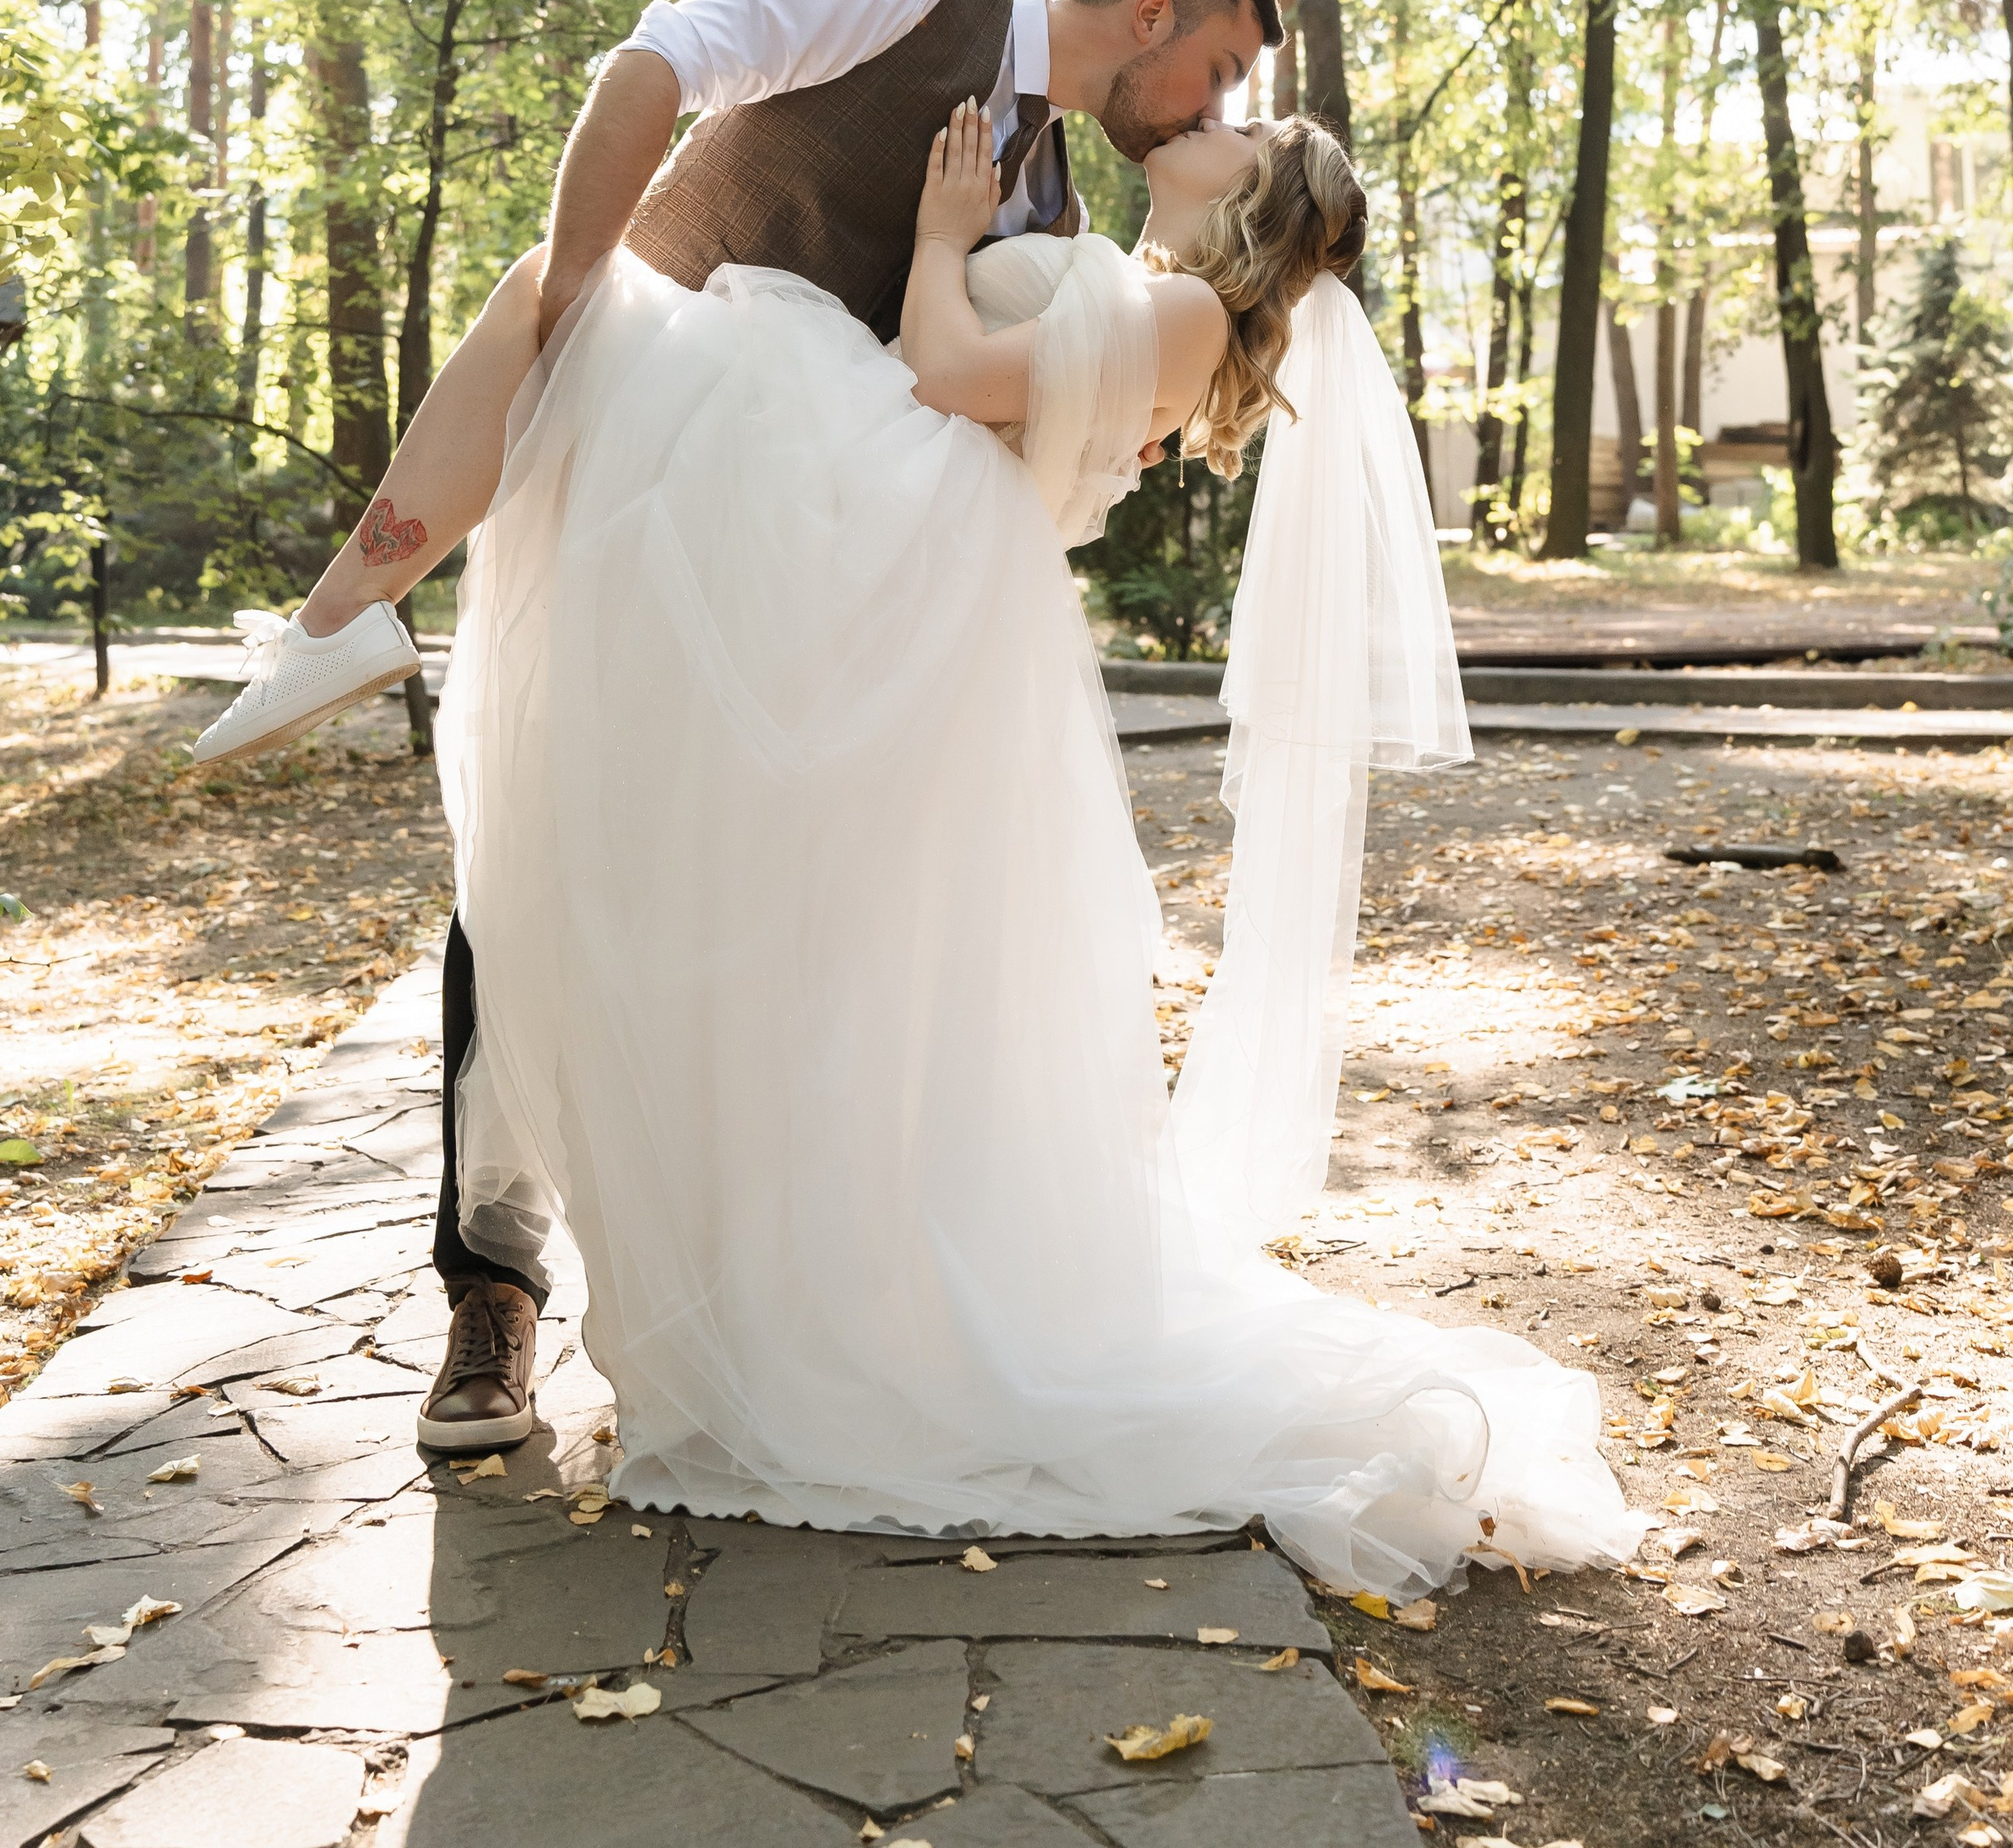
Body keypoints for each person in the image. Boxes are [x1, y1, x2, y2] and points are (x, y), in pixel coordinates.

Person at [430, 94, 1642, 1591]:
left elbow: (944, 375)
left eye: (1248, 125)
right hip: (909, 581)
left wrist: (942, 238)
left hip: (927, 571)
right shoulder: (1136, 273)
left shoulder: (1194, 311)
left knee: (890, 975)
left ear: (1256, 196)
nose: (1220, 115)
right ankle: (809, 1286)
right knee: (854, 972)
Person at [195, 0, 1279, 1450]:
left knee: (748, 923)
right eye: (1221, 70)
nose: (1213, 111)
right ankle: (487, 1294)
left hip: (806, 568)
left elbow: (955, 380)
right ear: (1156, 16)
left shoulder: (1041, 189)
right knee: (537, 852)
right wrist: (583, 288)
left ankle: (744, 1283)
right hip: (649, 456)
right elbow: (657, 61)